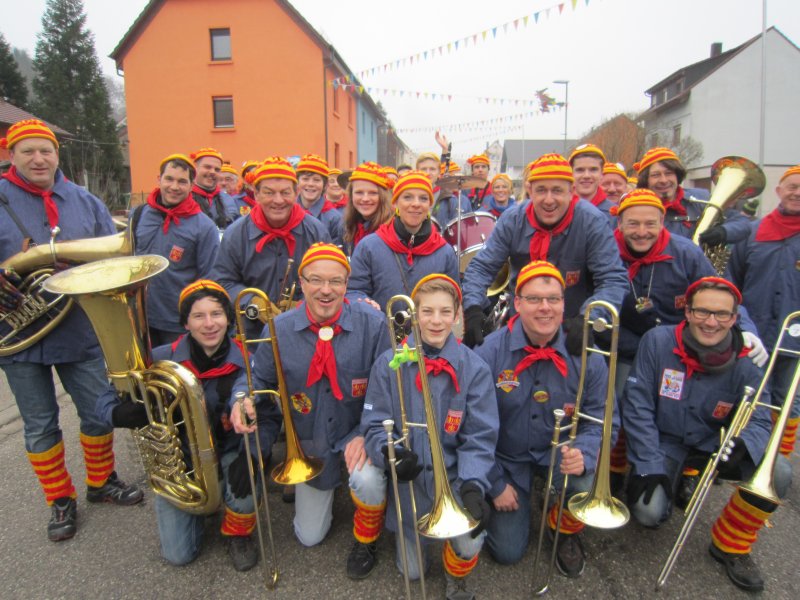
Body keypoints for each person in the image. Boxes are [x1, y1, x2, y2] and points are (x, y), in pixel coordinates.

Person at [0, 119, 142, 542]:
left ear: (57, 154)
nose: (38, 159)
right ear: (12, 155)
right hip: (18, 333)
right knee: (40, 424)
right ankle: (59, 499)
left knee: (97, 412)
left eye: (45, 150)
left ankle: (101, 483)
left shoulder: (83, 200)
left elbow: (114, 258)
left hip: (77, 325)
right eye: (28, 151)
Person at [623, 277, 792, 593]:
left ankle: (730, 543)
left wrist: (747, 446)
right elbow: (637, 405)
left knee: (778, 472)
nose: (711, 322)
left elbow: (758, 416)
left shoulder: (749, 358)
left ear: (734, 318)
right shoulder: (657, 342)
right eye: (702, 312)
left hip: (716, 442)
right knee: (647, 514)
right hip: (666, 440)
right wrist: (648, 463)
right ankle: (681, 475)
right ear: (687, 312)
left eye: (721, 315)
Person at [230, 243, 390, 572]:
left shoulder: (373, 324)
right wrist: (241, 398)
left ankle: (367, 538)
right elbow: (257, 377)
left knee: (370, 481)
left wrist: (365, 433)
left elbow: (390, 389)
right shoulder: (279, 329)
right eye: (316, 280)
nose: (326, 290)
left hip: (355, 432)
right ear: (301, 283)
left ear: (347, 284)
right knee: (309, 536)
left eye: (336, 281)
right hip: (309, 443)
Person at [96, 280, 276, 570]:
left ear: (229, 319)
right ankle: (203, 505)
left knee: (245, 486)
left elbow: (268, 417)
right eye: (198, 316)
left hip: (230, 448)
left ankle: (238, 532)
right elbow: (103, 401)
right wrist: (119, 414)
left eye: (217, 314)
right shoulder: (157, 360)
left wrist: (254, 454)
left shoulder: (248, 359)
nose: (209, 324)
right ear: (185, 322)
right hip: (182, 461)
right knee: (179, 555)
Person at [606, 189, 767, 497]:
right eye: (633, 224)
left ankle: (684, 469)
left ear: (662, 221)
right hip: (625, 344)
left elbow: (721, 292)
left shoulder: (686, 253)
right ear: (620, 225)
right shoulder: (605, 251)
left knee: (683, 408)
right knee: (622, 401)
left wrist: (746, 328)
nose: (642, 232)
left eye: (650, 224)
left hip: (677, 348)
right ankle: (616, 468)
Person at [356, 274, 497, 598]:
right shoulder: (388, 363)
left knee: (471, 539)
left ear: (457, 315)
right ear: (414, 315)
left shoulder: (474, 369)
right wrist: (390, 453)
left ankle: (455, 577)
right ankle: (402, 532)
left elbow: (481, 435)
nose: (436, 320)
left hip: (454, 478)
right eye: (428, 311)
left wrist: (475, 483)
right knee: (413, 571)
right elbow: (374, 423)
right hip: (410, 483)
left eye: (445, 312)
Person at [474, 261, 612, 578]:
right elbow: (473, 429)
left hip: (558, 455)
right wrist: (494, 483)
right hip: (508, 460)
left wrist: (587, 453)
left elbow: (600, 419)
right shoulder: (489, 353)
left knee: (585, 479)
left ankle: (561, 527)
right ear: (518, 303)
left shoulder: (588, 356)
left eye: (554, 299)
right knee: (507, 552)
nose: (545, 308)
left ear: (565, 304)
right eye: (534, 299)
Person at [461, 153, 628, 351]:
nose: (549, 200)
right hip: (521, 327)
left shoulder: (592, 221)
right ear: (530, 190)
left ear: (572, 191)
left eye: (557, 190)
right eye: (541, 190)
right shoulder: (512, 219)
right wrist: (473, 307)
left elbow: (612, 278)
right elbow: (481, 267)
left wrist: (589, 320)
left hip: (571, 330)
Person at [728, 165, 800, 456]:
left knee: (789, 402)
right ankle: (739, 455)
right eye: (792, 186)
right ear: (779, 191)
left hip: (794, 339)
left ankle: (775, 461)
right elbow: (733, 281)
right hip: (752, 332)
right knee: (744, 397)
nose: (797, 192)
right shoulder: (752, 233)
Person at [212, 157, 330, 327]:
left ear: (296, 193)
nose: (278, 200)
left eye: (285, 192)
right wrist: (250, 300)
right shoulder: (235, 234)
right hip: (253, 330)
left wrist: (307, 303)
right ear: (257, 194)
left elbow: (331, 278)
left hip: (306, 327)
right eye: (269, 192)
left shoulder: (316, 231)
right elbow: (222, 282)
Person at [131, 153, 220, 346]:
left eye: (182, 181)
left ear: (191, 185)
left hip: (178, 324)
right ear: (159, 179)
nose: (174, 187)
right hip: (139, 318)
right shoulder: (139, 214)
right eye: (169, 179)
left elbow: (210, 278)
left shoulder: (204, 227)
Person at [348, 170, 459, 310]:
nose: (416, 204)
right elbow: (353, 291)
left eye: (423, 198)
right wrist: (364, 303)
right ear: (395, 203)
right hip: (380, 330)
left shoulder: (445, 252)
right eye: (407, 197)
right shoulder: (369, 246)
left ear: (430, 204)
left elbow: (453, 299)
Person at [634, 147, 749, 244]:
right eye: (656, 175)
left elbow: (742, 223)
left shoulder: (701, 198)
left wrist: (724, 231)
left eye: (669, 173)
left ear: (677, 176)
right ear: (646, 180)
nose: (664, 180)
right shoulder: (636, 208)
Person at [342, 162, 393, 257]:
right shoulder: (347, 226)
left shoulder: (393, 229)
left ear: (383, 196)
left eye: (373, 193)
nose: (365, 199)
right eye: (359, 192)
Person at [296, 153, 344, 246]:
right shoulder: (287, 211)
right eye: (305, 179)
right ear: (297, 182)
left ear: (325, 186)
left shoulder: (335, 219)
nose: (310, 184)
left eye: (316, 180)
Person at [189, 147, 237, 230]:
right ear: (195, 168)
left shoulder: (227, 199)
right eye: (207, 167)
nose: (212, 172)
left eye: (217, 169)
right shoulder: (185, 197)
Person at [569, 143, 614, 226]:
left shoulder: (614, 213)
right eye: (580, 170)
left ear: (601, 174)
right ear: (571, 173)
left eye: (593, 170)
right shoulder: (560, 210)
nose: (586, 175)